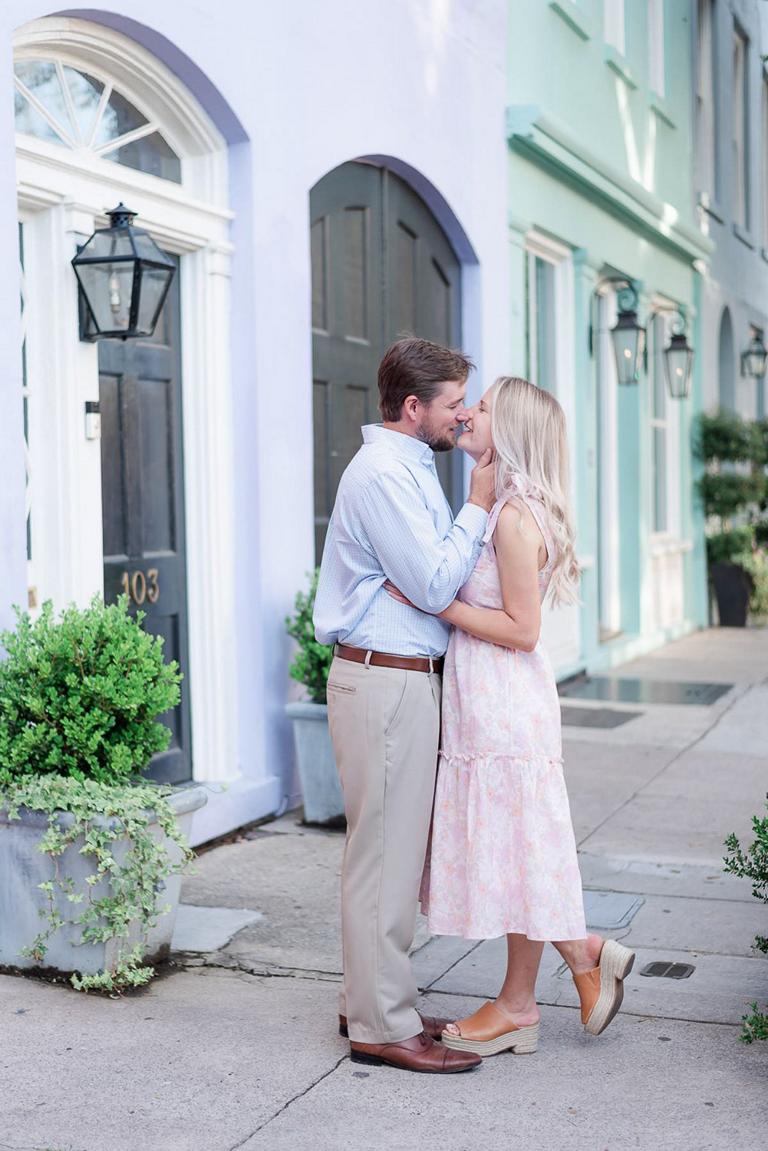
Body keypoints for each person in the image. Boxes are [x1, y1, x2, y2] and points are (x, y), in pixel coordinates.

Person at [387, 376, 635, 1057]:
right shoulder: (500, 507)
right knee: (522, 853)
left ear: (513, 431)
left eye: (485, 406)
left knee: (521, 853)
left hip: (504, 705)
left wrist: (439, 606)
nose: (468, 412)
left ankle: (535, 993)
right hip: (488, 701)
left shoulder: (518, 517)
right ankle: (566, 968)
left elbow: (524, 628)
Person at [313, 336, 496, 1074]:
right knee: (381, 857)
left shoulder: (408, 466)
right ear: (414, 406)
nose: (462, 416)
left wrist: (430, 575)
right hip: (382, 679)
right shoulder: (384, 474)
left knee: (388, 855)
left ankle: (377, 999)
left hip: (398, 676)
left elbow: (426, 579)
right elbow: (432, 583)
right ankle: (380, 1025)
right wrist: (479, 505)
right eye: (453, 403)